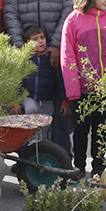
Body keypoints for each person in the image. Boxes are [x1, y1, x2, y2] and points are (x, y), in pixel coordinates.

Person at [61, 0, 106, 177]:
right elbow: (67, 56)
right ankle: (79, 166)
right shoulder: (74, 19)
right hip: (82, 90)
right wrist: (73, 90)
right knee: (80, 132)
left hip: (104, 89)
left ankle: (97, 167)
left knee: (100, 131)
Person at [22, 25, 69, 154]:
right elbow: (18, 81)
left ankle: (42, 152)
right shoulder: (26, 59)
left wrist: (65, 99)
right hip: (29, 97)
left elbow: (60, 80)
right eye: (35, 39)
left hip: (46, 99)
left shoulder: (50, 58)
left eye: (42, 37)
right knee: (31, 111)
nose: (40, 41)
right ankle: (30, 147)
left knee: (45, 125)